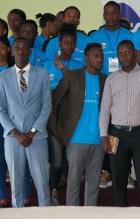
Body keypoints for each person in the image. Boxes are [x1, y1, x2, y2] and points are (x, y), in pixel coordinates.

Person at [99, 40, 140, 207]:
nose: (124, 56)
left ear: (135, 53)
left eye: (127, 52)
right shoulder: (111, 79)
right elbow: (105, 109)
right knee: (118, 179)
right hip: (116, 134)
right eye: (121, 53)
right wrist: (104, 136)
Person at [49, 43, 107, 206]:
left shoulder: (105, 80)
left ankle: (90, 215)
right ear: (86, 58)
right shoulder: (72, 76)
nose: (99, 58)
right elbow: (53, 102)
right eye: (95, 56)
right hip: (76, 139)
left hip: (98, 140)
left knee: (93, 185)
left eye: (101, 55)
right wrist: (54, 128)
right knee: (73, 185)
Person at [0, 37, 52, 207]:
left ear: (30, 51)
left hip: (36, 137)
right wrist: (15, 133)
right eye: (17, 48)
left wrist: (32, 131)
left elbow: (46, 107)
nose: (21, 51)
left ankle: (45, 215)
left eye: (24, 48)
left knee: (42, 182)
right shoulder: (2, 76)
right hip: (13, 138)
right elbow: (0, 109)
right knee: (16, 182)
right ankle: (17, 214)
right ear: (12, 52)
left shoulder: (42, 74)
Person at [42, 23, 84, 205]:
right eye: (66, 43)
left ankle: (73, 194)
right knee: (57, 159)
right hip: (52, 114)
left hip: (72, 114)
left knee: (72, 158)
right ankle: (54, 193)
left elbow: (79, 87)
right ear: (59, 44)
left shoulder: (79, 64)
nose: (69, 46)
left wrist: (64, 71)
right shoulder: (46, 65)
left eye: (72, 43)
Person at [89, 1, 135, 75]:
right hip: (101, 80)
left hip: (125, 80)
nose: (110, 16)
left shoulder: (130, 36)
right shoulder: (94, 37)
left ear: (120, 15)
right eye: (107, 13)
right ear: (104, 16)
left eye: (114, 13)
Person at [0, 37, 14, 207]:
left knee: (17, 159)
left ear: (9, 50)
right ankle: (2, 197)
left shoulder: (15, 69)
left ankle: (24, 196)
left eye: (2, 47)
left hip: (14, 119)